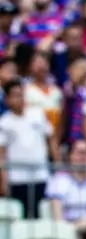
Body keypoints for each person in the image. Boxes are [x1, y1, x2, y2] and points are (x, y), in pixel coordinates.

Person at [0, 78, 55, 217]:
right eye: (15, 95)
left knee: (41, 214)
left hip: (40, 175)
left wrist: (56, 166)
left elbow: (50, 139)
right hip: (17, 178)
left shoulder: (37, 114)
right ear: (7, 100)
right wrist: (3, 180)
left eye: (21, 94)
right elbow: (2, 154)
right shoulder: (4, 123)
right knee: (20, 217)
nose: (20, 99)